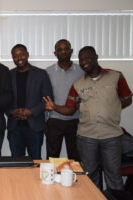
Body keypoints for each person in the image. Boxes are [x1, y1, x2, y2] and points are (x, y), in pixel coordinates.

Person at [43, 46, 132, 190]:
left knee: (113, 174)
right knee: (90, 175)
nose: (84, 61)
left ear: (96, 57)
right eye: (81, 59)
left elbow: (127, 98)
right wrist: (54, 107)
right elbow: (70, 109)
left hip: (111, 136)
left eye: (87, 57)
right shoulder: (78, 84)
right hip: (87, 137)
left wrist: (111, 109)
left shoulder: (116, 76)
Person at [6, 44, 53, 159]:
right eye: (15, 56)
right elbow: (4, 98)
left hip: (35, 126)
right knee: (16, 162)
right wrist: (12, 112)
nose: (19, 58)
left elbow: (48, 99)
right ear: (12, 58)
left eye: (22, 54)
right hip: (15, 126)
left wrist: (31, 111)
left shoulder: (41, 74)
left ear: (27, 55)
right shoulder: (9, 75)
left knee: (36, 160)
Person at [45, 39, 83, 161]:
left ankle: (76, 180)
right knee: (52, 157)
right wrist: (45, 121)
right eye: (60, 49)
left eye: (66, 48)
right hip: (54, 120)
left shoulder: (81, 71)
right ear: (55, 53)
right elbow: (45, 97)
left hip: (75, 121)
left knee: (75, 158)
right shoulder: (48, 72)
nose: (63, 52)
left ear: (71, 51)